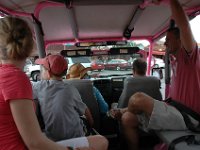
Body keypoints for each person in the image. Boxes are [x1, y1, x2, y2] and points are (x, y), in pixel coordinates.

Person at [0, 16, 108, 150]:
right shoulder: (71, 89)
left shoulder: (34, 85)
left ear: (48, 73)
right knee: (101, 141)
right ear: (28, 47)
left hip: (42, 138)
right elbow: (34, 143)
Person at [111, 0, 200, 150]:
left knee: (137, 99)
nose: (165, 44)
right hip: (174, 110)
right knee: (127, 119)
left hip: (189, 117)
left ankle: (120, 111)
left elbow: (183, 24)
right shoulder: (174, 61)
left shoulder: (190, 57)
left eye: (168, 40)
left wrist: (172, 2)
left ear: (181, 40)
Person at [32, 54, 94, 141]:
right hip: (76, 137)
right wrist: (91, 125)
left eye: (42, 70)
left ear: (48, 73)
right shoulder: (71, 89)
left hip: (53, 139)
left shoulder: (38, 87)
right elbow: (85, 111)